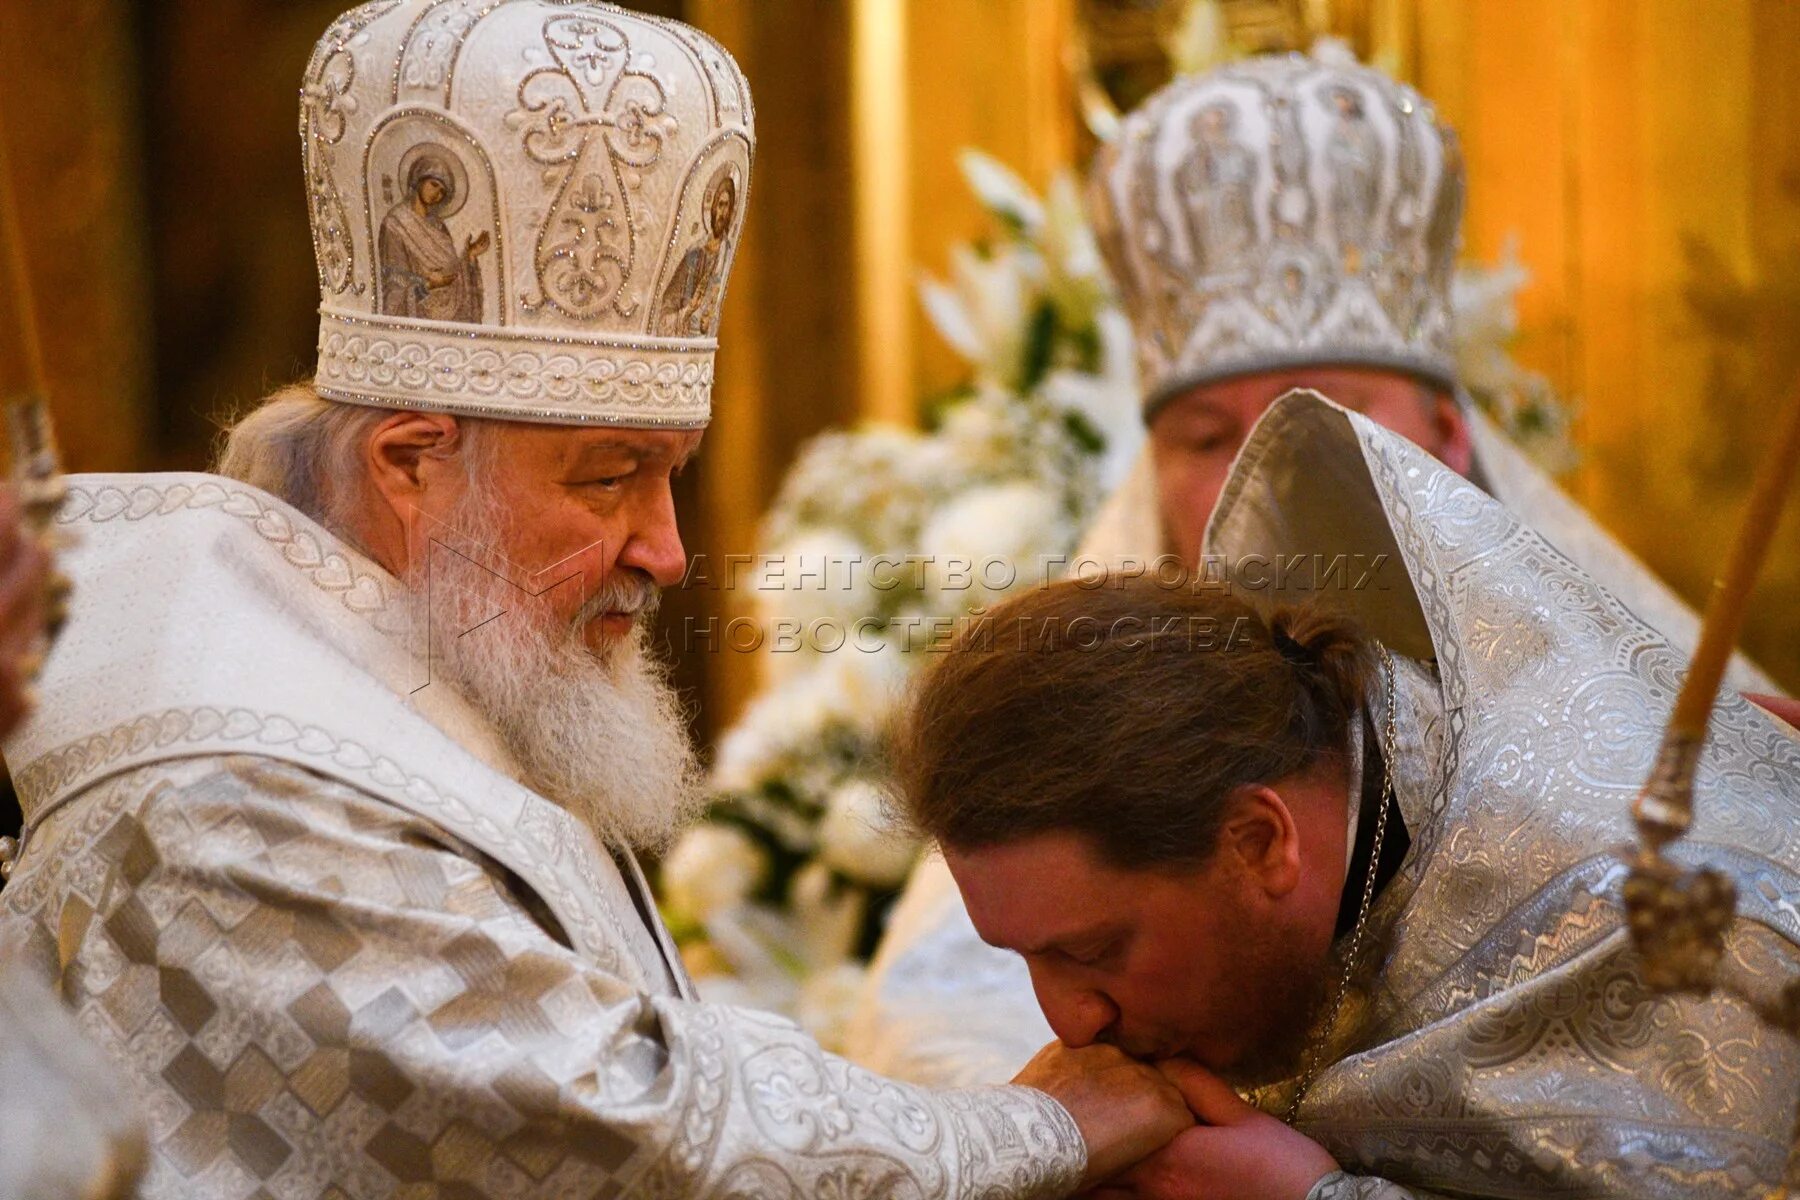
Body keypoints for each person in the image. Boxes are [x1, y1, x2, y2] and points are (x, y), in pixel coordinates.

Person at [0, 5, 1192, 1197]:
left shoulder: (395, 672)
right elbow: (618, 1128)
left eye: (671, 475)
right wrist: (1044, 1130)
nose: (668, 551)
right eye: (610, 476)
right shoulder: (236, 781)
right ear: (410, 463)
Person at [847, 47, 1795, 1085]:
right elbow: (934, 1041)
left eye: (1323, 416)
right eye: (1206, 439)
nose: (1258, 470)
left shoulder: (1667, 750)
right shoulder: (1062, 769)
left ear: (1447, 434)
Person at [895, 389, 1800, 1200]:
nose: (1070, 1020)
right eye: (1026, 960)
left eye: (1092, 950)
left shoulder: (1671, 926)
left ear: (1259, 841)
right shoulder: (1355, 784)